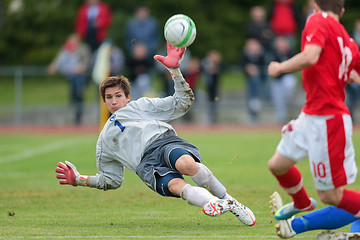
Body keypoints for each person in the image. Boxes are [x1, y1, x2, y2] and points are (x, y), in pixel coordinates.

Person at [54, 43, 256, 226]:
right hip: (146, 166)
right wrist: (79, 179)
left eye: (118, 96)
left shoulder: (141, 105)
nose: (114, 101)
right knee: (178, 187)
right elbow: (111, 180)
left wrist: (175, 70)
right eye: (109, 97)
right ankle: (213, 203)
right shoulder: (104, 139)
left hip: (163, 143)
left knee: (187, 165)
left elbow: (182, 102)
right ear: (104, 102)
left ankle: (228, 200)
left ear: (127, 97)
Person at [266, 0, 360, 239]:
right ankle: (302, 203)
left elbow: (310, 56)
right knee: (277, 165)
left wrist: (279, 68)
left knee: (331, 195)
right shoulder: (349, 42)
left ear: (315, 6)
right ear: (343, 10)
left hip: (327, 119)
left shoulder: (317, 20)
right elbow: (352, 74)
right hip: (312, 115)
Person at [48, 33, 91, 125]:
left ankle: (77, 114)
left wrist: (81, 67)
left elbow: (87, 62)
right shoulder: (66, 49)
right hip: (71, 76)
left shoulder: (83, 49)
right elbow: (59, 60)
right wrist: (54, 66)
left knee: (78, 93)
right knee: (74, 94)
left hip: (82, 76)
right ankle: (74, 112)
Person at [269, 36, 297, 123]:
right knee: (278, 100)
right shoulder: (273, 53)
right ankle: (281, 119)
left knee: (289, 83)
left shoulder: (290, 53)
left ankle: (289, 104)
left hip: (287, 77)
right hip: (277, 80)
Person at [241, 38, 267, 122]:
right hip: (250, 82)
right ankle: (253, 110)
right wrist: (248, 69)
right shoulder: (245, 56)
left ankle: (256, 106)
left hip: (261, 81)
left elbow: (265, 67)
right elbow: (242, 66)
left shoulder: (262, 56)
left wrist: (257, 69)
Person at [201, 50, 223, 124]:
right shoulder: (206, 62)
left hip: (215, 87)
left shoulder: (218, 64)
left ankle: (214, 114)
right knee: (209, 98)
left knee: (215, 98)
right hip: (208, 86)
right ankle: (210, 114)